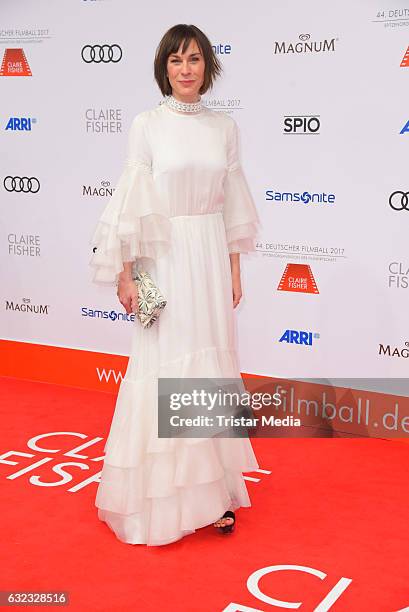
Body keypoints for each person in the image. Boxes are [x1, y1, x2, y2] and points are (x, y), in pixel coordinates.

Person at [89, 23, 261, 546]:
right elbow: (129, 204)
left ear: (209, 66)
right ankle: (163, 497)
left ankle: (214, 495)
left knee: (208, 367)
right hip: (164, 259)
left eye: (195, 60)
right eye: (176, 61)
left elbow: (232, 203)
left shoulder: (225, 127)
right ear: (164, 69)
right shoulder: (147, 124)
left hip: (208, 255)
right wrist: (126, 273)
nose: (186, 70)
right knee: (166, 370)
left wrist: (234, 268)